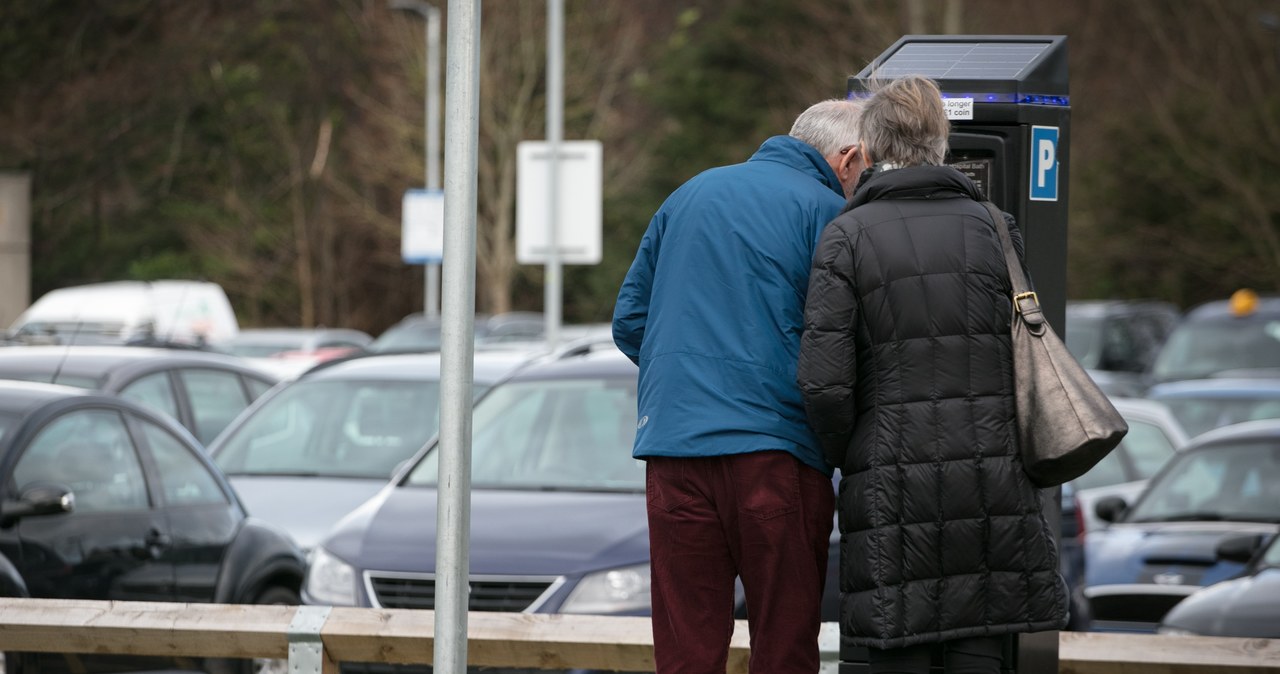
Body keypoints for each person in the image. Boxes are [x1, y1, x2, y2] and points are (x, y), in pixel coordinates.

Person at [797, 75, 1068, 674]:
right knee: (979, 640)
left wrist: (858, 452)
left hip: (891, 484)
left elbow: (824, 383)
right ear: (941, 142)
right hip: (991, 478)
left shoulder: (845, 236)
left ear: (869, 145)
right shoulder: (994, 226)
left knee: (898, 648)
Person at [612, 99, 867, 674]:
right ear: (846, 158)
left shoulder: (689, 194)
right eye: (863, 172)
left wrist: (684, 383)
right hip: (776, 456)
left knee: (686, 649)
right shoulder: (829, 212)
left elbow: (630, 322)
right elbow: (844, 342)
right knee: (783, 642)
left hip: (674, 451)